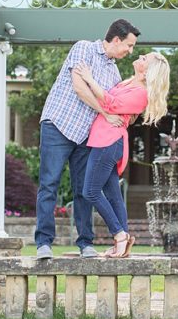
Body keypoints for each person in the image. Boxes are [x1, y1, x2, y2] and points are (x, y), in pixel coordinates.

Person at [35, 19, 140, 259]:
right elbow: (80, 89)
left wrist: (132, 107)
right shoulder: (84, 49)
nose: (130, 51)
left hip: (86, 135)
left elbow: (114, 103)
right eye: (129, 45)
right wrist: (105, 112)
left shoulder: (114, 71)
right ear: (116, 39)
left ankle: (85, 243)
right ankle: (43, 243)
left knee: (83, 190)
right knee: (49, 184)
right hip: (58, 125)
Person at [74, 52, 170, 258]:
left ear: (147, 72)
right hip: (102, 139)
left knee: (90, 191)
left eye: (146, 59)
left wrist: (89, 79)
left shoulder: (141, 92)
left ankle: (118, 234)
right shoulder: (129, 82)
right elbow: (109, 102)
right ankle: (124, 241)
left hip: (108, 142)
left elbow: (111, 103)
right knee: (113, 195)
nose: (141, 55)